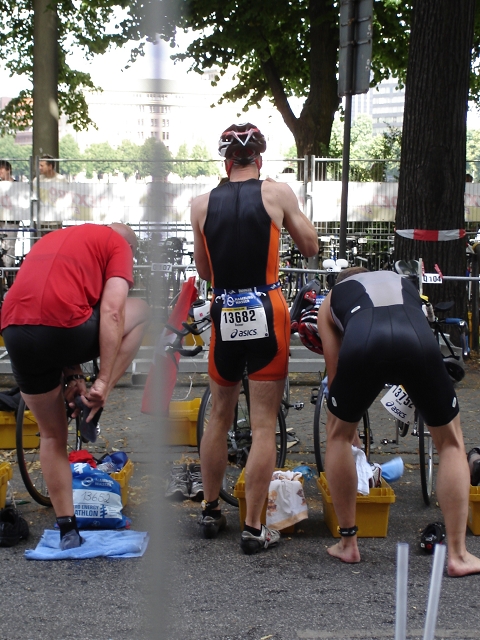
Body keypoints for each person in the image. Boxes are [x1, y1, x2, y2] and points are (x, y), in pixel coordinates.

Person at [190, 122, 318, 554]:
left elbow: (204, 270)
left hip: (225, 305)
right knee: (263, 423)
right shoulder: (277, 193)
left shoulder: (201, 204)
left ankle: (210, 509)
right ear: (259, 160)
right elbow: (311, 246)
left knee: (218, 416)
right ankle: (253, 528)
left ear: (226, 163)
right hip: (267, 304)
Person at [317, 266, 480, 577]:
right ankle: (458, 555)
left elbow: (334, 371)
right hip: (415, 339)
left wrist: (346, 426)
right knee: (451, 443)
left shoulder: (331, 300)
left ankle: (348, 543)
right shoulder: (401, 281)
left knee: (337, 437)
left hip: (364, 342)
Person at [1, 223, 151, 549]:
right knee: (141, 310)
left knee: (51, 435)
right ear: (129, 249)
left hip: (14, 328)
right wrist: (103, 381)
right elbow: (112, 312)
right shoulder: (117, 245)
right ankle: (99, 393)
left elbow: (51, 298)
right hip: (63, 327)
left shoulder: (57, 239)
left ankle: (67, 530)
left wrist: (73, 375)